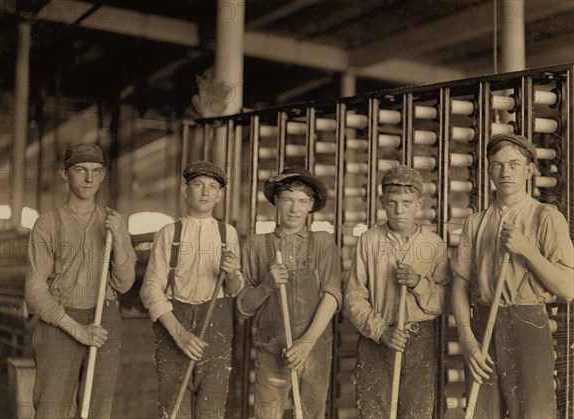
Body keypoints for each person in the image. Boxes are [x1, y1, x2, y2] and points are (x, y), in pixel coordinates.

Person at [452, 133, 574, 418]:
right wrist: (467, 339)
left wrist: (527, 251)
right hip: (482, 326)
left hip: (528, 325)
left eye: (514, 164)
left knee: (533, 414)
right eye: (497, 165)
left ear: (529, 170)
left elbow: (569, 289)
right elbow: (459, 284)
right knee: (481, 412)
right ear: (489, 170)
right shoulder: (476, 222)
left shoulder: (547, 217)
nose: (505, 172)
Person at [25, 143, 137, 419]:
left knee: (97, 410)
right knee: (52, 410)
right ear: (65, 174)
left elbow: (124, 284)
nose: (90, 178)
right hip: (59, 323)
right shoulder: (47, 224)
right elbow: (35, 291)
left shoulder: (114, 223)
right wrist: (76, 330)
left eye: (97, 171)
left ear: (103, 175)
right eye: (81, 170)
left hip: (105, 320)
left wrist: (121, 237)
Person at [344, 165, 451, 418]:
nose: (399, 210)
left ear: (420, 203)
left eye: (407, 202)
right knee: (375, 411)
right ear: (382, 201)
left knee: (417, 412)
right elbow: (353, 297)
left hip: (421, 340)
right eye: (392, 202)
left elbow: (444, 302)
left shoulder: (433, 244)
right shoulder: (369, 241)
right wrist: (382, 332)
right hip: (377, 338)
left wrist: (418, 283)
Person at [140, 161, 244, 419]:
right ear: (185, 190)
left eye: (212, 187)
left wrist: (231, 272)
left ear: (220, 195)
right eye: (198, 185)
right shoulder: (168, 233)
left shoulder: (227, 233)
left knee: (211, 409)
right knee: (174, 410)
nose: (205, 192)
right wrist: (179, 333)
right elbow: (151, 288)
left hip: (216, 324)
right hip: (175, 321)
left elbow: (235, 289)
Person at [236, 166, 342, 419]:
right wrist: (267, 286)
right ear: (276, 202)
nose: (295, 209)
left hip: (314, 346)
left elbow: (332, 294)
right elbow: (244, 306)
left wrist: (305, 343)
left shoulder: (323, 242)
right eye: (288, 200)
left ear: (311, 206)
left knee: (310, 414)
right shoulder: (255, 245)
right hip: (273, 346)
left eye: (302, 201)